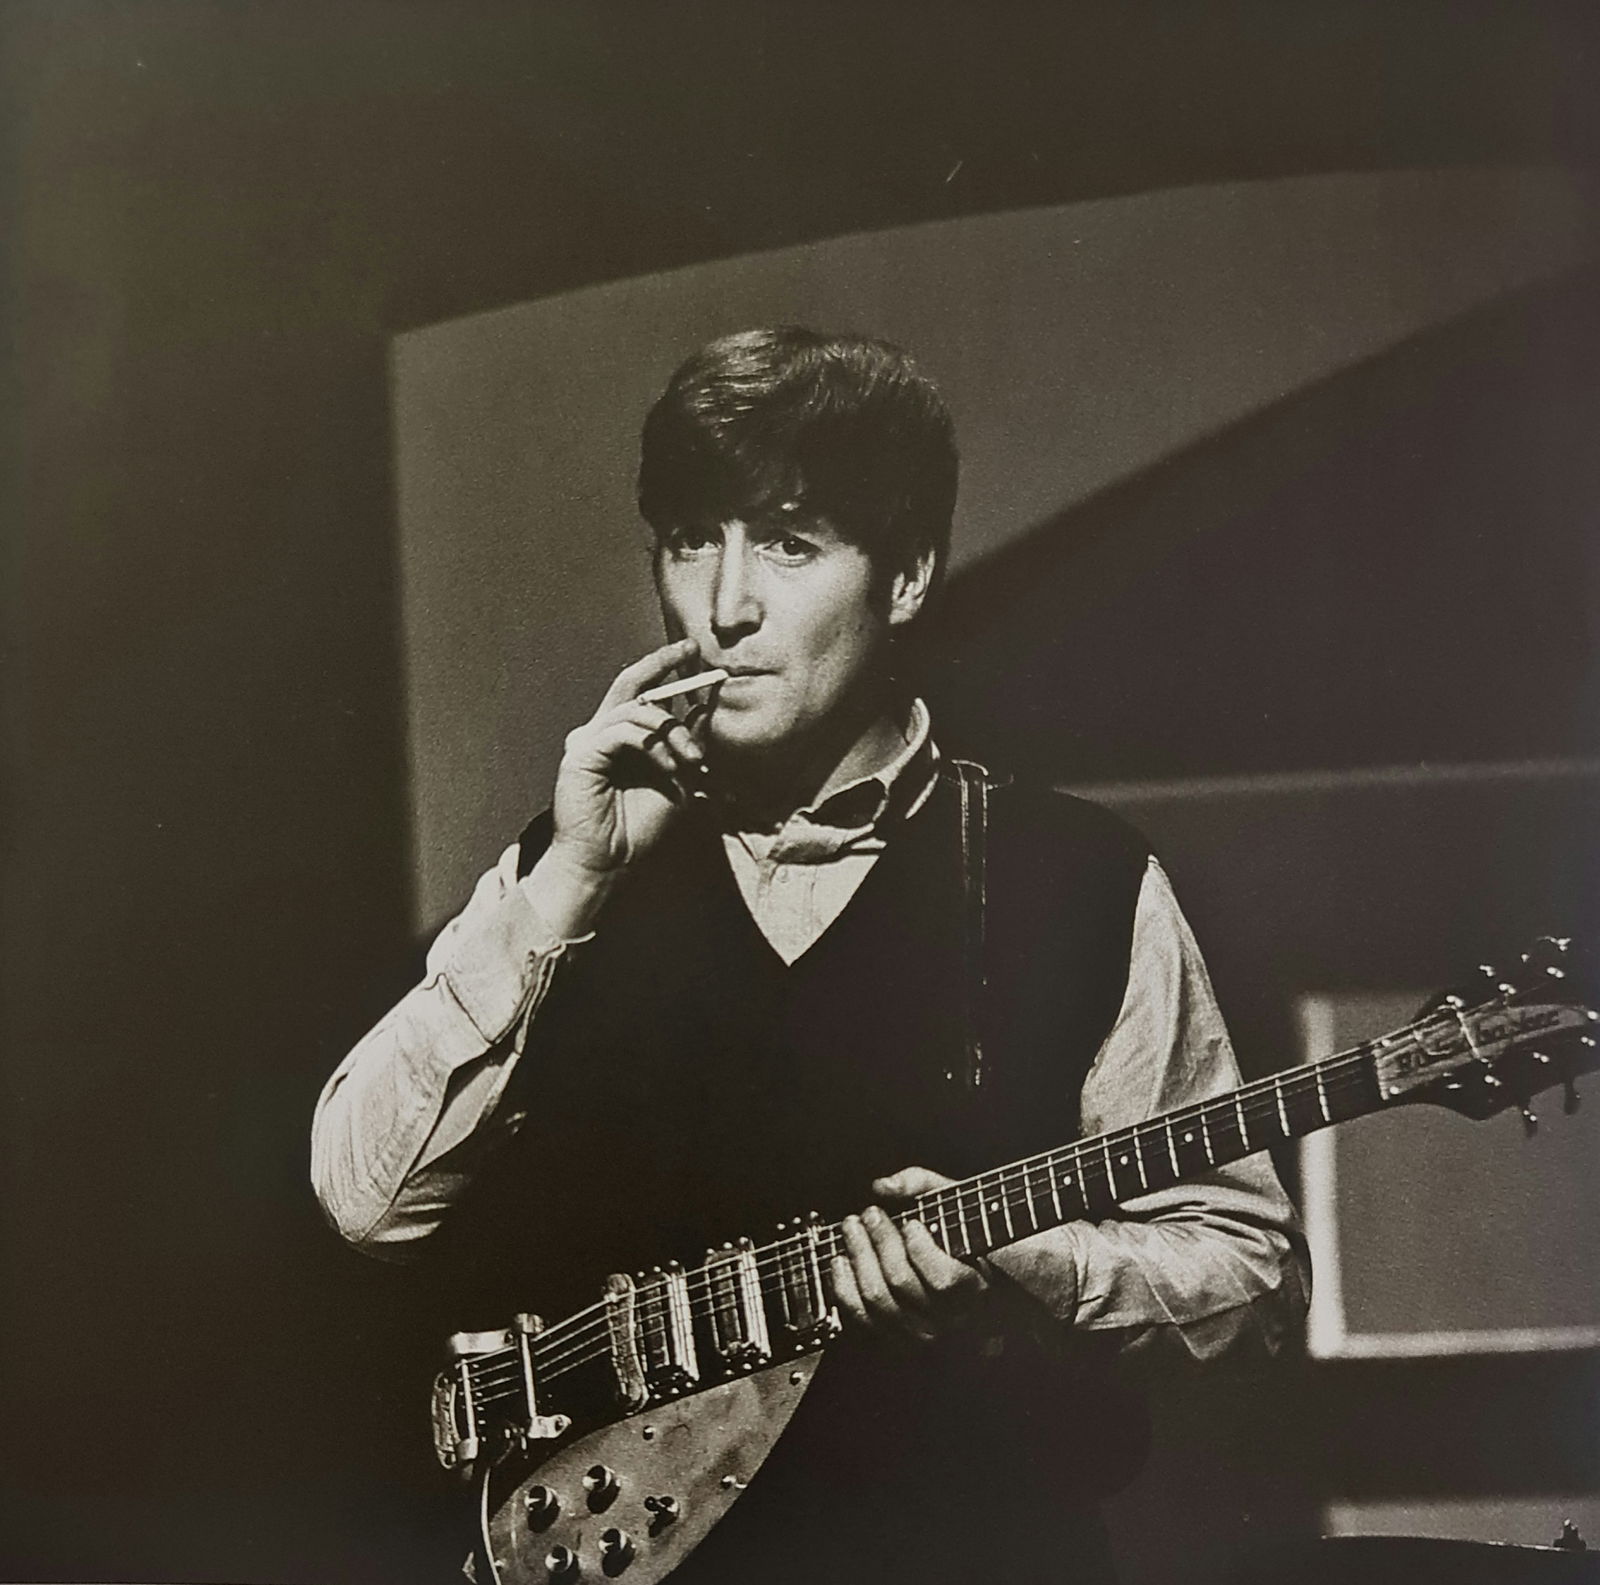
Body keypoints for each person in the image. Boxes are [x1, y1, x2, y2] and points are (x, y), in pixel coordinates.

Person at [312, 327, 1308, 1584]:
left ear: (903, 578)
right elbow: (365, 1201)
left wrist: (1030, 1271)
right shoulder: (580, 858)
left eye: (787, 541)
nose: (725, 604)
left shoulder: (1082, 880)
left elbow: (1245, 1279)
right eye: (692, 538)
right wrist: (570, 877)